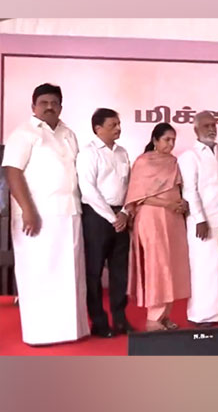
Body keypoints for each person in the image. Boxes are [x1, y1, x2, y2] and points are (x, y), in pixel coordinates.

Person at [2, 83, 89, 345]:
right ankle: (41, 334)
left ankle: (71, 331)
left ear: (61, 106)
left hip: (70, 212)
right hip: (38, 216)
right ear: (33, 106)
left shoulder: (68, 133)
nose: (49, 107)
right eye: (44, 103)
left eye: (54, 103)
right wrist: (28, 210)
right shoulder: (24, 133)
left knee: (70, 274)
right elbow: (12, 171)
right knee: (40, 274)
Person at [125, 123, 191, 331]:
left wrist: (182, 203)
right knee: (157, 266)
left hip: (173, 219)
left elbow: (180, 189)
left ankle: (165, 316)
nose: (171, 144)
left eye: (173, 140)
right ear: (155, 140)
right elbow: (138, 198)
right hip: (151, 219)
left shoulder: (173, 162)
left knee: (171, 265)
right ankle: (153, 318)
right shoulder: (143, 162)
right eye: (166, 140)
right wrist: (168, 204)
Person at [76, 108, 133, 337]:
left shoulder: (122, 152)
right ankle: (99, 322)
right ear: (98, 128)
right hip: (97, 217)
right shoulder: (88, 153)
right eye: (113, 125)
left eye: (119, 124)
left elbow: (130, 185)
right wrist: (112, 217)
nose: (118, 128)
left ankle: (120, 319)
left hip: (121, 215)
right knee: (94, 272)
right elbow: (88, 190)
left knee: (120, 272)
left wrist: (126, 213)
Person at [178, 111, 218, 327]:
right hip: (201, 223)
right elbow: (189, 190)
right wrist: (199, 219)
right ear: (196, 130)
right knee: (203, 268)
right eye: (206, 125)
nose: (211, 129)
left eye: (214, 125)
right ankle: (201, 314)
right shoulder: (190, 156)